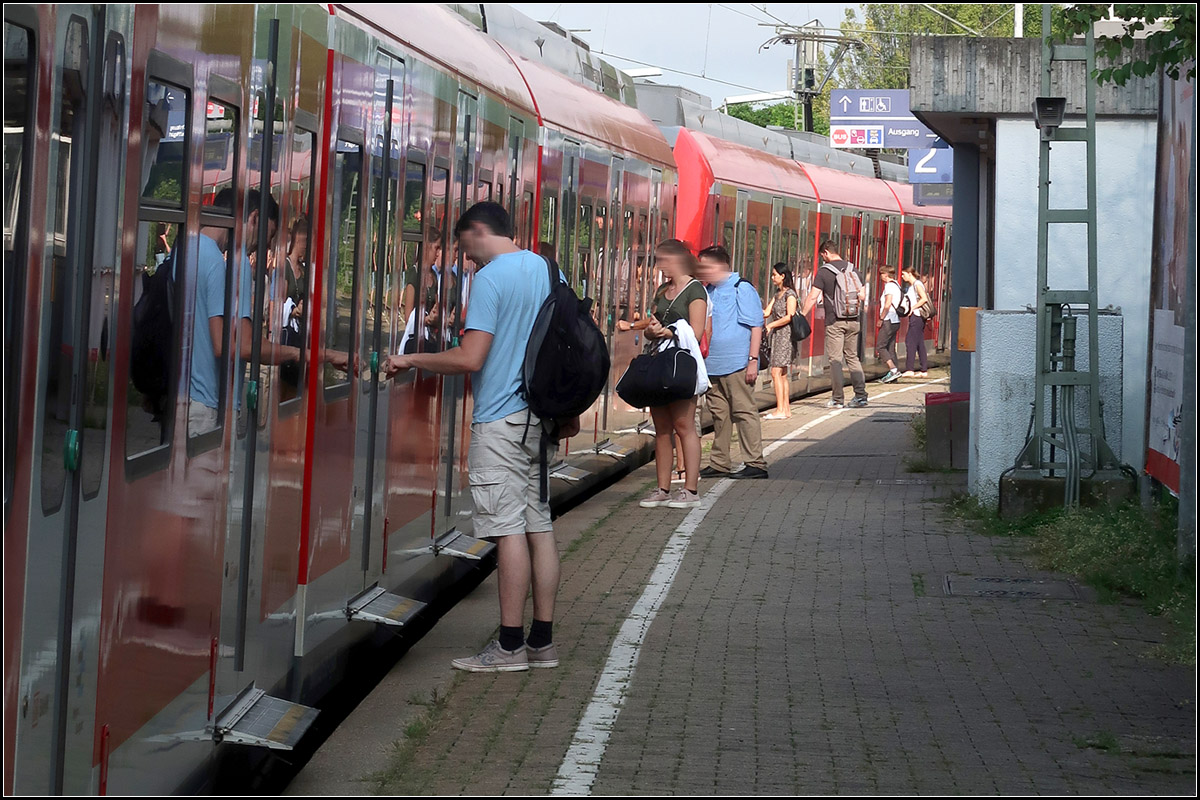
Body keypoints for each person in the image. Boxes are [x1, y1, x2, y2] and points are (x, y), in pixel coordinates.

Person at [383, 201, 575, 673]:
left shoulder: (492, 278)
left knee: (507, 530)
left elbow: (471, 357)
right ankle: (541, 643)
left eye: (465, 245)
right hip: (539, 419)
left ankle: (509, 647)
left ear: (478, 231)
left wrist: (411, 360)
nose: (465, 257)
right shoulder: (549, 271)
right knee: (540, 526)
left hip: (501, 420)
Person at [188, 189, 349, 434]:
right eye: (268, 236)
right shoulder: (234, 261)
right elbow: (237, 345)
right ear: (254, 218)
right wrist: (311, 355)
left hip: (185, 398)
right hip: (213, 404)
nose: (264, 247)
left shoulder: (187, 249)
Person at [617, 240, 709, 509]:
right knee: (662, 430)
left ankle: (691, 490)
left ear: (677, 259)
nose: (659, 265)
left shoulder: (696, 291)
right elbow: (653, 323)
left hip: (681, 364)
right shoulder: (662, 290)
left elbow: (697, 331)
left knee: (684, 426)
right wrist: (649, 331)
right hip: (659, 362)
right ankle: (662, 488)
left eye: (662, 260)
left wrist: (666, 332)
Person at [695, 245, 768, 480]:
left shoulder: (741, 288)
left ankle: (755, 462)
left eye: (704, 266)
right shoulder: (709, 291)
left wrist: (752, 361)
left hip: (736, 362)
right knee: (719, 414)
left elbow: (756, 326)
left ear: (720, 266)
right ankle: (719, 462)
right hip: (712, 364)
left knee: (744, 411)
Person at [798, 239, 868, 409]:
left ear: (826, 252)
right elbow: (863, 296)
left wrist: (801, 315)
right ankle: (860, 396)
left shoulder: (824, 272)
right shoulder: (854, 270)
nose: (823, 259)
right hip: (853, 320)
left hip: (834, 321)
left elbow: (813, 297)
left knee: (835, 360)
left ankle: (837, 399)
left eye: (823, 256)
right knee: (852, 357)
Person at [762, 262, 798, 419]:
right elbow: (767, 311)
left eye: (774, 274)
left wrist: (771, 325)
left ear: (783, 276)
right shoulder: (777, 295)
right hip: (778, 336)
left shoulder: (790, 295)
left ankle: (780, 409)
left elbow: (789, 316)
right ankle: (785, 409)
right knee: (782, 373)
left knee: (776, 371)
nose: (772, 277)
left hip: (785, 336)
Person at [900, 265, 931, 378]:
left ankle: (910, 369)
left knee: (910, 341)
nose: (902, 277)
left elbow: (924, 298)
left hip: (917, 316)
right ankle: (923, 370)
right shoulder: (912, 286)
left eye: (904, 274)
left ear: (910, 274)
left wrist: (912, 308)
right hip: (917, 316)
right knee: (919, 343)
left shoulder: (917, 284)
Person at [876, 265, 902, 383]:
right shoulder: (897, 285)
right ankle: (894, 376)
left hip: (889, 319)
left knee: (880, 346)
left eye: (881, 274)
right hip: (895, 320)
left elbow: (887, 304)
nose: (880, 276)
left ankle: (893, 369)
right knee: (890, 347)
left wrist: (881, 318)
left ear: (886, 275)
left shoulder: (889, 286)